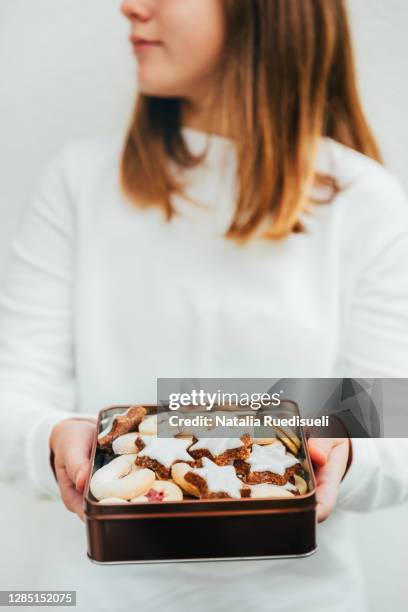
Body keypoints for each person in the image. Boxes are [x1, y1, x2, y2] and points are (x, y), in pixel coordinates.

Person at [1, 0, 408, 610]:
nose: (130, 6)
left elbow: (394, 421)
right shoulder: (81, 181)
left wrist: (346, 455)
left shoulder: (363, 202)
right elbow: (14, 390)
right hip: (97, 594)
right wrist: (50, 434)